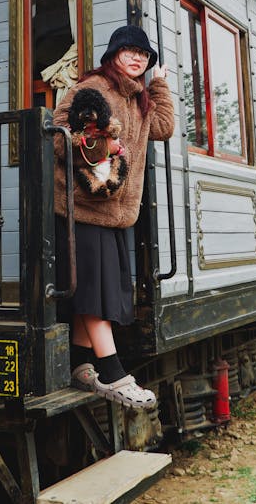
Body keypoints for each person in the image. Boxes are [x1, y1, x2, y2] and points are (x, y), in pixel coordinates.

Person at [53, 25, 174, 409]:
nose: (138, 58)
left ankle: (79, 364)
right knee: (95, 293)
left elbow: (165, 128)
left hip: (115, 213)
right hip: (84, 207)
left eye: (144, 55)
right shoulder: (94, 88)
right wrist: (105, 143)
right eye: (130, 51)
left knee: (99, 288)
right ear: (114, 54)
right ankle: (112, 371)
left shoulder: (138, 99)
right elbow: (57, 133)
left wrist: (159, 87)